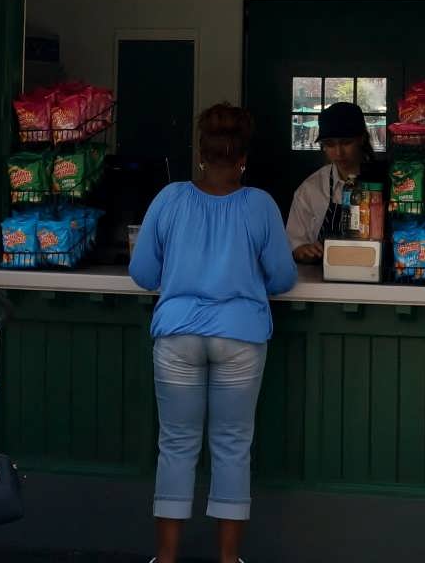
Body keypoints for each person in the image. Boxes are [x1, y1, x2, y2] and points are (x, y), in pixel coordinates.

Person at [129, 103, 297, 563]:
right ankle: (227, 559)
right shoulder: (259, 205)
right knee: (232, 446)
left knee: (176, 445)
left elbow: (142, 272)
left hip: (178, 336)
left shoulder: (170, 199)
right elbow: (283, 279)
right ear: (243, 157)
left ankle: (166, 557)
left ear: (201, 153)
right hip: (241, 338)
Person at [286, 102, 379, 263]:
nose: (338, 152)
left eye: (346, 143)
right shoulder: (311, 189)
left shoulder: (383, 180)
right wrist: (302, 250)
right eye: (330, 145)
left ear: (361, 139)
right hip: (323, 283)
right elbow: (294, 244)